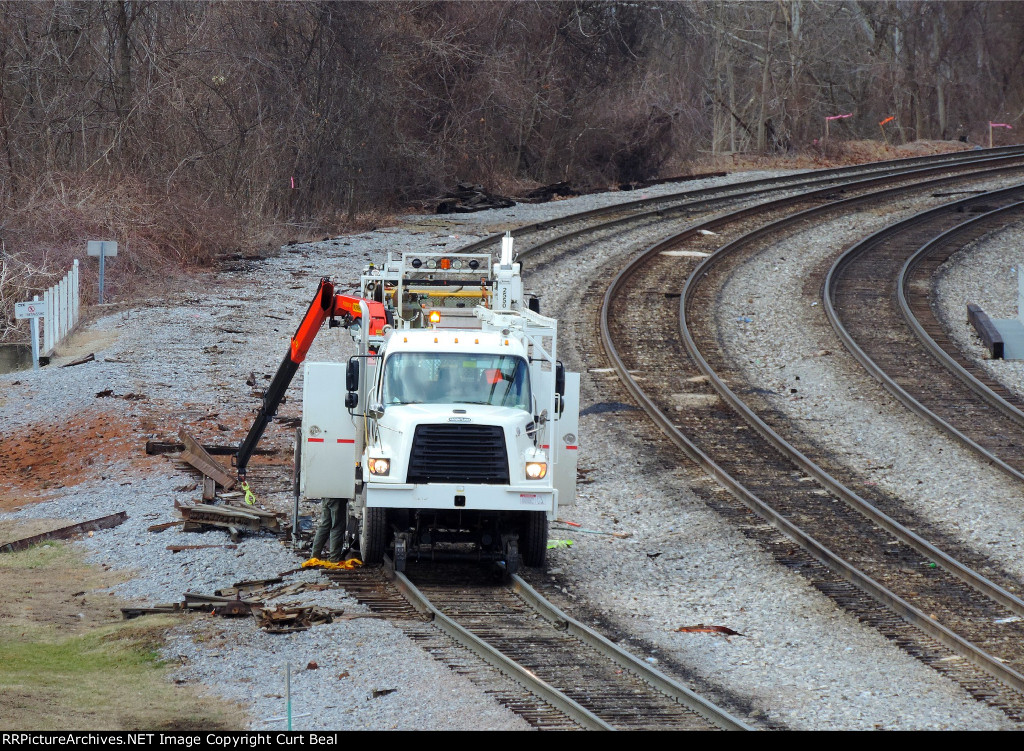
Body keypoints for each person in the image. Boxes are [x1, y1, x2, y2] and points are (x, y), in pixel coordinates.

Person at [310, 497, 346, 561]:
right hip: (337, 497)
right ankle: (334, 558)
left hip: (326, 496)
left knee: (324, 526)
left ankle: (314, 556)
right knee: (337, 527)